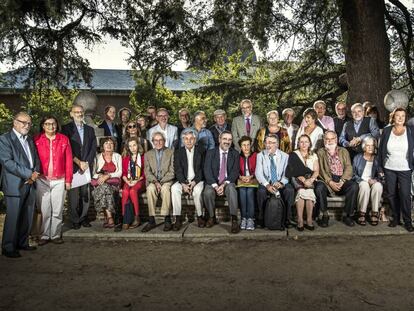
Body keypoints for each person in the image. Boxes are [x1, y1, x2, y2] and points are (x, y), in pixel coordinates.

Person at [0, 112, 40, 258]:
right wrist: (29, 174)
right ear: (14, 122)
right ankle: (8, 247)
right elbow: (7, 162)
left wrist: (34, 174)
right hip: (14, 184)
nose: (26, 126)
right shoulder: (4, 139)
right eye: (23, 122)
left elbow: (35, 158)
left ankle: (22, 243)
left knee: (27, 216)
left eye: (29, 123)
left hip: (30, 183)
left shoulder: (29, 139)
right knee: (13, 217)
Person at [34, 116, 73, 245]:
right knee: (45, 209)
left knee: (57, 209)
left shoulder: (63, 139)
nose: (51, 126)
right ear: (43, 126)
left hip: (59, 180)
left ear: (57, 125)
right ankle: (45, 235)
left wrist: (68, 180)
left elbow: (68, 161)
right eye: (47, 124)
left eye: (53, 123)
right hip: (42, 179)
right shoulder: (37, 139)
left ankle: (55, 235)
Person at [377, 107, 414, 232]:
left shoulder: (410, 131)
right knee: (392, 195)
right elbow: (381, 150)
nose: (400, 118)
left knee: (405, 195)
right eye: (398, 115)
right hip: (389, 168)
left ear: (405, 118)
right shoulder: (387, 131)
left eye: (403, 116)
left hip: (405, 168)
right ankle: (396, 218)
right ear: (393, 117)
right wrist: (380, 167)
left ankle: (408, 221)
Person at [62, 104, 97, 230]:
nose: (79, 114)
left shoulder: (90, 129)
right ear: (71, 114)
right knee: (73, 196)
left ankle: (83, 217)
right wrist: (78, 162)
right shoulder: (66, 129)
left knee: (85, 194)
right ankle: (74, 219)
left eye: (81, 112)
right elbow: (66, 148)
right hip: (73, 166)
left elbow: (93, 147)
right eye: (76, 112)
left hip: (86, 167)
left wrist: (86, 162)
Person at [315, 130, 359, 227]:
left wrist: (342, 181)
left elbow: (348, 167)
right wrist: (330, 182)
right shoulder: (320, 152)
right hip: (327, 180)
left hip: (341, 179)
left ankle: (347, 215)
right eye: (327, 139)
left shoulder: (343, 151)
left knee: (354, 186)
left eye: (332, 139)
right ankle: (324, 215)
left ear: (336, 139)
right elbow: (321, 170)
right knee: (319, 187)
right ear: (324, 140)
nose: (330, 141)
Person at [203, 131, 240, 233]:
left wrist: (224, 185)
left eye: (229, 140)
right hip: (213, 182)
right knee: (207, 192)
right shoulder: (210, 153)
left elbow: (235, 172)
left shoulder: (235, 154)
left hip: (228, 182)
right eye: (224, 139)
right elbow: (207, 170)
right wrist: (215, 186)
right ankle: (211, 217)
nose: (227, 142)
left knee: (232, 190)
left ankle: (234, 219)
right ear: (219, 139)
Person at [255, 134, 294, 229]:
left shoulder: (285, 156)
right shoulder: (260, 155)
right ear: (264, 144)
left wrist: (281, 183)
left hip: (280, 182)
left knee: (289, 190)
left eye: (272, 143)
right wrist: (267, 185)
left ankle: (288, 218)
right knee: (261, 191)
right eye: (267, 142)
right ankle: (261, 218)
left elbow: (287, 173)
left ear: (277, 144)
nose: (269, 145)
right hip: (267, 183)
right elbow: (258, 173)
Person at [172, 128, 205, 230]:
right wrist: (183, 184)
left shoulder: (201, 151)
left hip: (197, 180)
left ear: (195, 140)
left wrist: (194, 182)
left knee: (198, 191)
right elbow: (178, 170)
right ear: (183, 140)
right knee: (174, 189)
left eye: (191, 138)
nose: (189, 141)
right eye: (186, 139)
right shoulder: (178, 152)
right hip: (184, 181)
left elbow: (202, 169)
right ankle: (177, 218)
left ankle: (200, 216)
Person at [142, 132, 175, 232]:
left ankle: (167, 218)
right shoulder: (148, 154)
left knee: (165, 189)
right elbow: (147, 172)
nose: (158, 142)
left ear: (164, 141)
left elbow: (172, 171)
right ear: (152, 142)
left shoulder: (171, 152)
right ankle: (151, 220)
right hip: (153, 181)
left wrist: (161, 182)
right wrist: (156, 182)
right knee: (150, 189)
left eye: (160, 140)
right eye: (156, 140)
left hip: (167, 180)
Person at [286, 134, 319, 231]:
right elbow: (291, 170)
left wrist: (311, 180)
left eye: (306, 142)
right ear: (298, 143)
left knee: (309, 191)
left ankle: (309, 219)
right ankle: (300, 219)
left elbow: (316, 171)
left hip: (311, 179)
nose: (304, 144)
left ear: (309, 143)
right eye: (301, 142)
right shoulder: (293, 154)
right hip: (297, 179)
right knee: (301, 191)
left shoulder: (313, 155)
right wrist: (302, 178)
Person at [91, 137, 122, 229]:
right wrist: (100, 177)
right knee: (105, 188)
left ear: (114, 146)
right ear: (102, 146)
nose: (108, 145)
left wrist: (108, 176)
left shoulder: (117, 156)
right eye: (106, 143)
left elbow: (120, 172)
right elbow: (93, 173)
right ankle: (110, 217)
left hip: (113, 184)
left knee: (105, 188)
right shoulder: (97, 157)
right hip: (100, 183)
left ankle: (107, 217)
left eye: (111, 143)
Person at [352, 137, 383, 226]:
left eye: (372, 145)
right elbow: (353, 175)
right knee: (365, 185)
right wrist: (364, 180)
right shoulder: (357, 158)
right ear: (363, 147)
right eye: (368, 145)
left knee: (378, 186)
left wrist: (375, 180)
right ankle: (361, 213)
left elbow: (381, 176)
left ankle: (374, 212)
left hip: (373, 181)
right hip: (361, 181)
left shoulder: (378, 159)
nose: (370, 147)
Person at [121, 137, 146, 230]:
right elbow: (123, 173)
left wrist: (136, 180)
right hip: (129, 180)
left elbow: (145, 173)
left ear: (138, 145)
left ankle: (136, 217)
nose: (133, 148)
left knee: (132, 191)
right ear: (128, 148)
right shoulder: (125, 158)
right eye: (130, 146)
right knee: (125, 191)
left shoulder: (143, 157)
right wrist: (127, 181)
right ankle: (125, 218)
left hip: (140, 180)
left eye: (134, 145)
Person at [237, 136, 257, 230]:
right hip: (241, 180)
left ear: (251, 145)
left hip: (253, 179)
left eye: (248, 145)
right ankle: (244, 218)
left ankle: (250, 219)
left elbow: (259, 169)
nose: (246, 147)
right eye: (244, 145)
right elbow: (234, 170)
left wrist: (251, 176)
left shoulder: (255, 155)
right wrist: (240, 176)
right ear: (240, 147)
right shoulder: (237, 156)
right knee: (242, 191)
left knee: (249, 191)